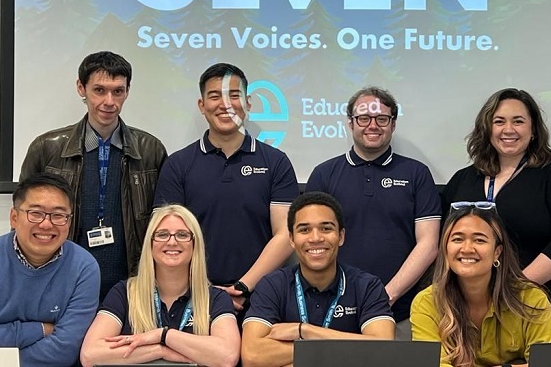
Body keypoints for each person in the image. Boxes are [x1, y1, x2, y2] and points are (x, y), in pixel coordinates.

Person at [441, 88, 551, 342]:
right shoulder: (463, 179)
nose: (508, 129)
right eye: (499, 121)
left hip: (546, 297)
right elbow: (445, 241)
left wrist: (511, 291)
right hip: (474, 306)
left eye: (518, 121)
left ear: (533, 131)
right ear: (487, 129)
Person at [20, 51, 168, 300]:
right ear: (81, 88)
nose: (109, 101)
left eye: (118, 91)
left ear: (127, 91)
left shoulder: (150, 149)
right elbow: (25, 219)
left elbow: (163, 222)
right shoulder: (46, 148)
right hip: (61, 280)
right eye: (99, 90)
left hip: (131, 283)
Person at [154, 63, 299, 312]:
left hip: (263, 297)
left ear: (249, 103)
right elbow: (168, 239)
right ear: (202, 105)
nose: (226, 104)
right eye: (215, 96)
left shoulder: (276, 162)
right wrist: (206, 291)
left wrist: (244, 286)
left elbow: (285, 235)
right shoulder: (178, 164)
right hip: (193, 297)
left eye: (235, 95)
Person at [306, 86, 440, 339]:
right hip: (333, 310)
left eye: (382, 119)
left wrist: (385, 296)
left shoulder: (417, 174)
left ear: (393, 124)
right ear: (350, 123)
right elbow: (311, 243)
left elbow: (429, 243)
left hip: (402, 312)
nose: (373, 125)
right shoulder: (324, 174)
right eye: (364, 118)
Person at [0, 173, 100, 367]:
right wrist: (39, 330)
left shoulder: (84, 268)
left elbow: (65, 351)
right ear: (14, 217)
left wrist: (1, 354)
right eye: (35, 213)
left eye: (58, 215)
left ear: (69, 221)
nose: (46, 224)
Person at [241, 192, 395, 367]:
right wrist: (345, 353)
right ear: (291, 239)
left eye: (326, 228)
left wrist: (304, 331)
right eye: (304, 230)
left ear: (341, 236)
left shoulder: (367, 286)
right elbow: (252, 356)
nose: (315, 238)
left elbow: (383, 350)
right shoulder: (272, 285)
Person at [80, 204, 240, 367]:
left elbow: (227, 356)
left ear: (195, 244)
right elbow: (90, 354)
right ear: (150, 244)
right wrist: (159, 351)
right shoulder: (124, 293)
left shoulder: (216, 298)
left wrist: (163, 336)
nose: (172, 242)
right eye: (162, 235)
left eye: (182, 235)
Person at [411, 202, 551, 367]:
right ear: (446, 249)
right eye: (457, 239)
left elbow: (546, 364)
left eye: (479, 240)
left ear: (497, 253)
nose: (467, 248)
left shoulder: (531, 299)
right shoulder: (427, 302)